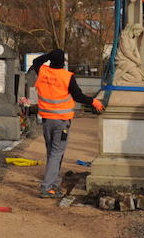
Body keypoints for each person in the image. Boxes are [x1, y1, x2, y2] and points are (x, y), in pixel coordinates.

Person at [30, 49, 104, 198]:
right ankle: (47, 187)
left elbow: (36, 62)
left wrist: (50, 55)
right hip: (61, 121)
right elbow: (78, 96)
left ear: (50, 60)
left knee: (52, 153)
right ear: (63, 62)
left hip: (46, 120)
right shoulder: (67, 77)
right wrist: (93, 101)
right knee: (56, 154)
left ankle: (54, 184)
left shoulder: (43, 71)